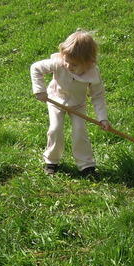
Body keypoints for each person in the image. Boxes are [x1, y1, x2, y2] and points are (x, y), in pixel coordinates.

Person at [30, 30, 110, 176]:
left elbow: (97, 96)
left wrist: (102, 117)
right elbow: (36, 68)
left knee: (80, 132)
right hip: (55, 100)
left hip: (78, 105)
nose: (68, 65)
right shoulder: (59, 62)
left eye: (73, 64)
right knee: (55, 129)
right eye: (66, 60)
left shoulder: (93, 72)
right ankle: (51, 161)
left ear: (89, 62)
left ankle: (86, 165)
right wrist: (39, 90)